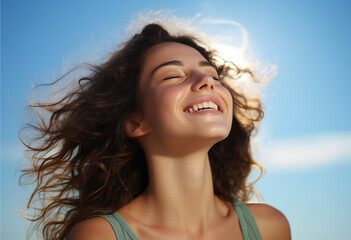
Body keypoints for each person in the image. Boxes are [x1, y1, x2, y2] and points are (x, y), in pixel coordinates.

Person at [21, 22, 291, 240]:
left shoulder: (269, 227)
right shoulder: (100, 236)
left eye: (213, 75)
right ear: (134, 121)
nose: (207, 80)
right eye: (173, 76)